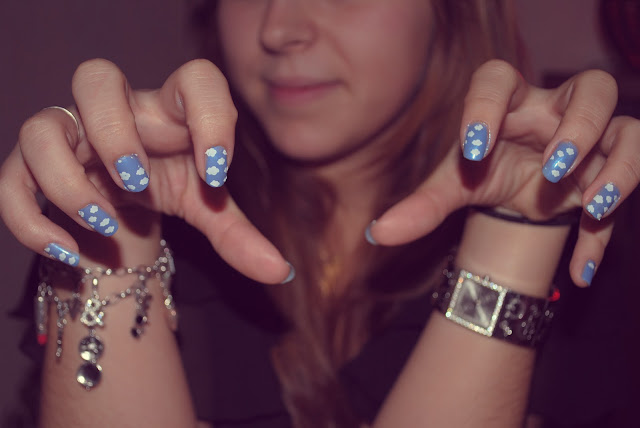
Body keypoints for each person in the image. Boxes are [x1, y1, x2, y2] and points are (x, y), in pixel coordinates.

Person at [1, 0, 639, 426]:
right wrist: (115, 232)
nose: (278, 29)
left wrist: (519, 228)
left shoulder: (601, 243)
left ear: (449, 13)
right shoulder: (144, 210)